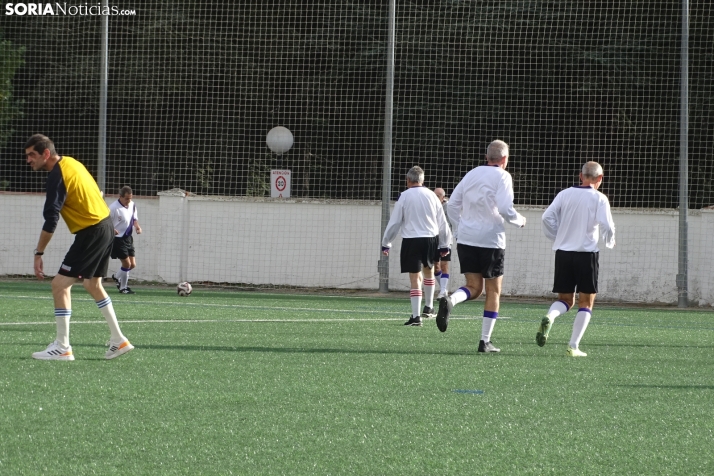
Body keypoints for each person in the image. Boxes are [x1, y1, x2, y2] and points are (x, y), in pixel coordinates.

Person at [25, 134, 134, 361]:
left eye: (32, 155)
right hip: (105, 227)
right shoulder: (72, 162)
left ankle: (63, 347)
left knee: (59, 285)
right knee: (93, 285)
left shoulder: (57, 175)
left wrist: (39, 253)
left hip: (92, 232)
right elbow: (97, 192)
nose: (28, 160)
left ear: (46, 153)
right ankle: (119, 340)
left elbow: (51, 219)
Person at [437, 140, 526, 353]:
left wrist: (460, 227)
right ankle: (484, 341)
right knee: (493, 290)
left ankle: (451, 300)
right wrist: (519, 220)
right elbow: (505, 208)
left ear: (487, 157)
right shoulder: (503, 176)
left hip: (467, 239)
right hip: (491, 240)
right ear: (505, 159)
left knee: (474, 287)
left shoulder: (472, 173)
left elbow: (453, 203)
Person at [537, 161, 616, 357]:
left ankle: (551, 316)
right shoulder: (599, 198)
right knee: (586, 303)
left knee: (565, 300)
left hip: (563, 253)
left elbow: (546, 217)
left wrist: (559, 236)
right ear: (600, 179)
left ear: (581, 176)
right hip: (586, 255)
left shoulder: (564, 194)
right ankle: (573, 346)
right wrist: (609, 241)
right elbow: (608, 226)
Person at [382, 166, 453, 326]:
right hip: (431, 239)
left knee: (415, 278)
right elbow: (442, 222)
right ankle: (429, 307)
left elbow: (395, 222)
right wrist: (444, 244)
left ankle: (416, 317)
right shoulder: (432, 196)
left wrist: (386, 242)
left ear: (407, 180)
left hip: (412, 240)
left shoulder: (404, 196)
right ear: (422, 180)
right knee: (429, 272)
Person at [110, 186, 142, 294]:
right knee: (126, 264)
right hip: (117, 239)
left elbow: (134, 219)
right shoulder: (113, 208)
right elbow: (106, 223)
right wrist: (112, 229)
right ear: (120, 197)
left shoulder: (132, 205)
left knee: (132, 265)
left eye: (130, 198)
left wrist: (137, 227)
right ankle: (123, 288)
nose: (129, 201)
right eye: (127, 199)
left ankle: (116, 276)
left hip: (128, 237)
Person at [433, 187, 451, 299]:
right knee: (436, 267)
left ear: (443, 197)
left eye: (438, 196)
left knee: (444, 265)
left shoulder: (448, 207)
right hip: (434, 239)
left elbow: (454, 222)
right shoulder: (431, 206)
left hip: (446, 240)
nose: (435, 198)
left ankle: (443, 291)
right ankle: (444, 288)